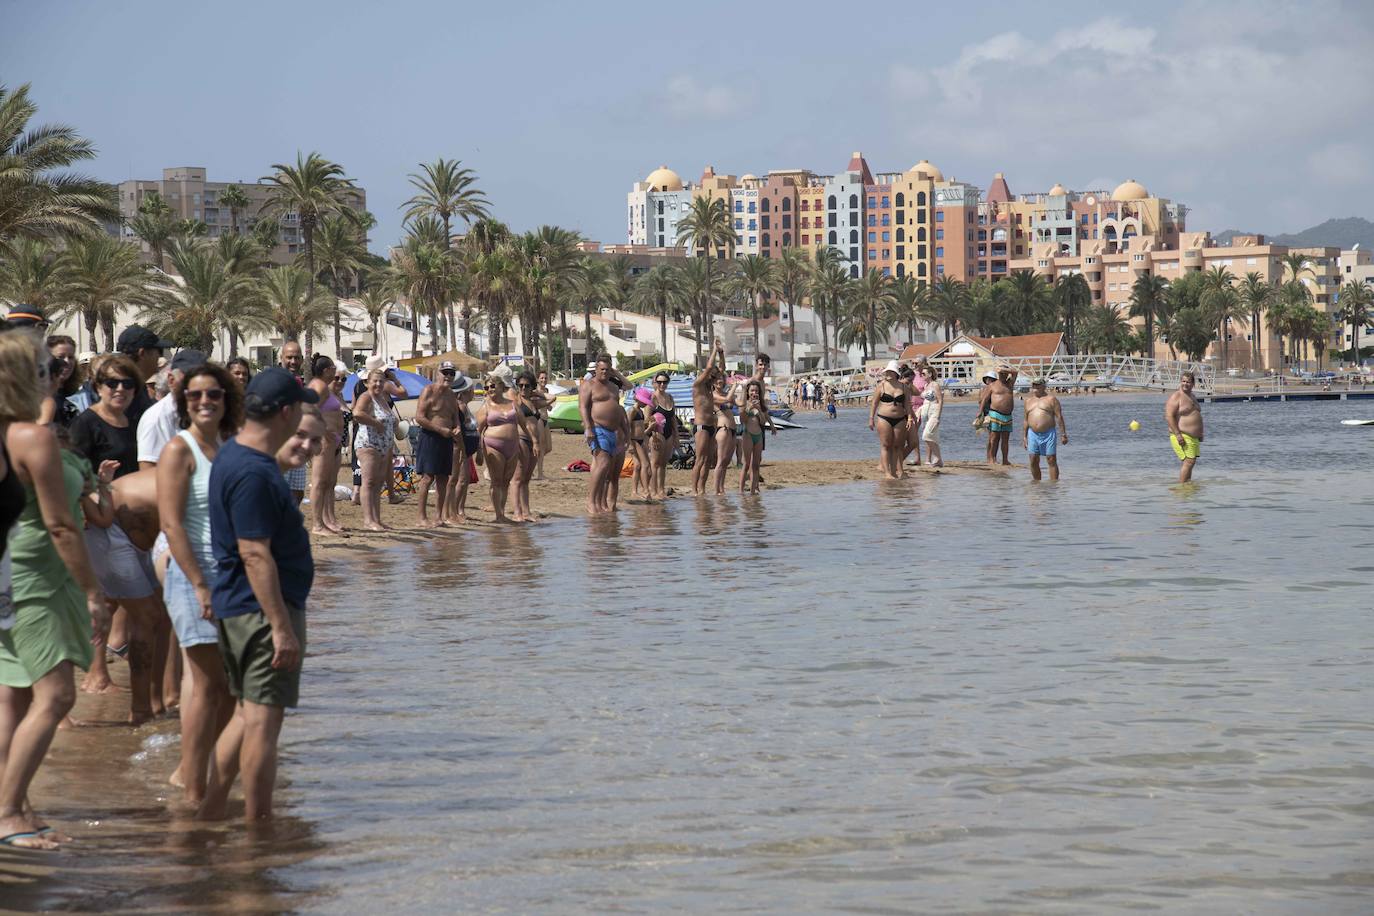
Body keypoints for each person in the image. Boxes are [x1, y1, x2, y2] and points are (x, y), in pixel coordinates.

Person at [0, 330, 110, 850]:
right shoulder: (32, 437)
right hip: (36, 579)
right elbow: (62, 526)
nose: (57, 376)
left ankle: (15, 803)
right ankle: (9, 815)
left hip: (9, 574)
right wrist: (92, 591)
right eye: (48, 369)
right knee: (57, 694)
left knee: (13, 698)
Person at [197, 368, 318, 822]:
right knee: (264, 726)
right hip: (261, 612)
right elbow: (254, 553)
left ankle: (209, 814)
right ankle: (257, 829)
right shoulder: (253, 471)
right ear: (286, 413)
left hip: (240, 607)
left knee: (247, 715)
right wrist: (281, 628)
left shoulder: (234, 456)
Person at [157, 363, 240, 805]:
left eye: (213, 394)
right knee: (207, 686)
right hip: (194, 576)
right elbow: (171, 524)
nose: (205, 402)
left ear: (226, 399)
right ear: (183, 401)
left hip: (230, 574)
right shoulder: (179, 449)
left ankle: (194, 768)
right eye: (195, 396)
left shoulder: (229, 446)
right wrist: (199, 584)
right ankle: (192, 788)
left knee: (228, 686)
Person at [69, 354, 142, 480]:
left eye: (128, 383)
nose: (120, 389)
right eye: (112, 383)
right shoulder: (85, 423)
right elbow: (72, 473)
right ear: (98, 387)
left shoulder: (136, 420)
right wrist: (99, 481)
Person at [137, 349, 207, 468]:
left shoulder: (210, 412)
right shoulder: (155, 418)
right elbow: (148, 471)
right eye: (189, 378)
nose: (196, 384)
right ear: (171, 380)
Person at [578, 354, 630, 514]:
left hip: (613, 431)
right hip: (597, 428)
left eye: (607, 369)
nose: (604, 372)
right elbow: (583, 407)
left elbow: (629, 386)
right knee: (602, 464)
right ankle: (591, 502)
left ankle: (600, 503)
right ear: (596, 369)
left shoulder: (614, 386)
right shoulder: (589, 385)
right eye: (602, 369)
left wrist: (616, 373)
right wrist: (588, 428)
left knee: (607, 470)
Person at [414, 361, 462, 528]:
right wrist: (440, 429)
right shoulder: (429, 391)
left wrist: (456, 429)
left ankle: (438, 516)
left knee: (443, 479)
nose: (448, 376)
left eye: (451, 373)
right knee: (427, 478)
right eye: (445, 372)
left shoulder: (451, 395)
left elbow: (455, 418)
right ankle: (421, 516)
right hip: (430, 437)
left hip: (446, 439)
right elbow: (419, 417)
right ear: (438, 373)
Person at [352, 368, 398, 532]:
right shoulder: (366, 397)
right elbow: (356, 413)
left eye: (381, 381)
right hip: (368, 444)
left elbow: (389, 418)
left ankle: (377, 519)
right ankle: (368, 520)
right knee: (369, 482)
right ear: (367, 383)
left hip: (383, 446)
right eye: (375, 381)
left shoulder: (383, 399)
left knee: (378, 483)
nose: (378, 384)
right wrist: (375, 423)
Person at [478, 373, 528, 523]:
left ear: (501, 386)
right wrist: (479, 451)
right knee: (496, 481)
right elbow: (478, 431)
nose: (489, 390)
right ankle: (498, 515)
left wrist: (534, 442)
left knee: (506, 481)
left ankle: (502, 513)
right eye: (486, 388)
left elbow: (524, 425)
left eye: (492, 386)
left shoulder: (512, 404)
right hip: (493, 445)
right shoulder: (485, 406)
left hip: (512, 446)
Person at [307, 355, 346, 535]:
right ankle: (317, 525)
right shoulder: (319, 386)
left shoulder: (326, 388)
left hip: (332, 442)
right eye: (332, 368)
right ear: (326, 370)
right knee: (318, 482)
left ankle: (325, 521)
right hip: (323, 441)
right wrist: (322, 431)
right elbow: (307, 410)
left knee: (328, 482)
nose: (335, 371)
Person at [115, 324, 173, 427]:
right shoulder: (125, 389)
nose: (159, 356)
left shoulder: (138, 386)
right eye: (158, 351)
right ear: (142, 353)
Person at [511, 371, 550, 523]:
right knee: (517, 478)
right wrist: (525, 392)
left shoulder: (533, 402)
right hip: (521, 439)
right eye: (520, 385)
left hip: (535, 443)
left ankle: (526, 511)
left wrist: (535, 392)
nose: (523, 388)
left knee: (526, 479)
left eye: (527, 386)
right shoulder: (516, 401)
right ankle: (517, 512)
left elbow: (552, 398)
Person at [868, 360, 912, 480]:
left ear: (895, 373)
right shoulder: (881, 386)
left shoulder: (903, 386)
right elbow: (874, 403)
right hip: (884, 418)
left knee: (898, 446)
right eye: (887, 371)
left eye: (890, 371)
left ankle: (895, 471)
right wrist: (871, 418)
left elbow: (907, 404)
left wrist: (909, 418)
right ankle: (887, 473)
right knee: (886, 445)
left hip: (900, 418)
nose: (887, 373)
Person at [691, 344, 724, 496]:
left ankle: (702, 489)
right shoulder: (698, 385)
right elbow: (710, 366)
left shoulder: (710, 388)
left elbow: (721, 369)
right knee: (700, 459)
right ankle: (694, 490)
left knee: (708, 460)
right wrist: (715, 350)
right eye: (713, 376)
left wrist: (722, 353)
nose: (715, 379)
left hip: (711, 426)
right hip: (701, 426)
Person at [445, 373, 479, 523]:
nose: (473, 391)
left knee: (464, 480)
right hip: (460, 449)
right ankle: (453, 511)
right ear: (465, 391)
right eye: (471, 389)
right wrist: (463, 450)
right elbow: (460, 430)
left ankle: (460, 510)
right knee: (459, 480)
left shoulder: (465, 407)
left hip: (466, 449)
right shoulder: (461, 407)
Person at [277, 343, 307, 504]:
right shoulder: (274, 381)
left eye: (296, 357)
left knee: (297, 492)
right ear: (281, 358)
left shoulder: (298, 382)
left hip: (297, 443)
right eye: (289, 357)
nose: (293, 361)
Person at [1022, 378, 1068, 481]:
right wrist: (1024, 437)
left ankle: (1054, 485)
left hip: (1048, 433)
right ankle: (1037, 483)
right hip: (1032, 433)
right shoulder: (1028, 401)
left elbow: (1059, 417)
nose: (1036, 387)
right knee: (1033, 459)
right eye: (1034, 385)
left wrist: (1063, 434)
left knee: (1051, 459)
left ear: (1044, 386)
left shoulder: (1051, 399)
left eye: (1038, 385)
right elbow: (1025, 420)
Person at [738, 379, 776, 494]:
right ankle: (741, 491)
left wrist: (759, 410)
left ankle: (753, 490)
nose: (754, 393)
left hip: (758, 434)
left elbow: (763, 422)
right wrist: (749, 409)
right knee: (746, 464)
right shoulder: (743, 403)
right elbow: (742, 420)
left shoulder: (760, 404)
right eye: (752, 390)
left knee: (756, 464)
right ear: (748, 392)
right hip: (748, 434)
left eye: (756, 391)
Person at [1166, 371, 1204, 483]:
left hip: (1193, 437)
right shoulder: (1176, 396)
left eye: (1188, 382)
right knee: (1189, 461)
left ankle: (1187, 486)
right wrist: (1178, 435)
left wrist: (1200, 433)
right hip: (1182, 435)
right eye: (1183, 381)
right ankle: (1181, 487)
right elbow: (1169, 416)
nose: (1185, 384)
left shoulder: (1192, 396)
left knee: (1191, 462)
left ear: (1193, 384)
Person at [646, 371, 677, 501]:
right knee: (655, 463)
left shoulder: (670, 397)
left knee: (663, 463)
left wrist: (676, 435)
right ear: (655, 383)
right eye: (659, 382)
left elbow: (673, 418)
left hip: (669, 432)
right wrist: (652, 433)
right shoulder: (652, 398)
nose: (662, 384)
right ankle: (653, 491)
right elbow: (647, 419)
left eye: (664, 382)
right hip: (657, 433)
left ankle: (661, 490)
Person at [38, 335, 81, 428]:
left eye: (70, 357)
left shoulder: (78, 393)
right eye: (61, 357)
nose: (67, 362)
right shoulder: (44, 398)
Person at [979, 366, 1016, 465]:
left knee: (1005, 439)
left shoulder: (1010, 384)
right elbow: (984, 400)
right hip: (995, 413)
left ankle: (1005, 460)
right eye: (1001, 373)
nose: (1003, 375)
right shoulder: (992, 386)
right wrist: (980, 412)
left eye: (1005, 373)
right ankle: (991, 458)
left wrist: (1004, 370)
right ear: (999, 375)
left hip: (1008, 415)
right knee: (994, 437)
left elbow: (1015, 372)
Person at [712, 377, 737, 496]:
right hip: (723, 428)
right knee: (720, 461)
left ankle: (722, 488)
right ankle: (716, 489)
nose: (719, 382)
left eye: (721, 380)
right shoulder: (713, 395)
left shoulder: (727, 393)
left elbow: (738, 403)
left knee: (726, 462)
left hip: (732, 429)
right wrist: (735, 386)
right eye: (717, 380)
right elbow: (727, 399)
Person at [627, 388, 652, 500]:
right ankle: (646, 490)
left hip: (641, 440)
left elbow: (641, 427)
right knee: (645, 464)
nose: (645, 404)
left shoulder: (640, 412)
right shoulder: (632, 410)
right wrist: (630, 444)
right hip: (634, 440)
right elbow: (627, 426)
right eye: (644, 401)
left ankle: (635, 491)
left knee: (637, 465)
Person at [917, 365, 944, 468]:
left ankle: (937, 458)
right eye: (921, 374)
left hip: (934, 411)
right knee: (933, 436)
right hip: (925, 412)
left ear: (930, 374)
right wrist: (919, 411)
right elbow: (925, 401)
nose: (922, 375)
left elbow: (940, 400)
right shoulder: (926, 385)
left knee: (927, 435)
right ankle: (938, 460)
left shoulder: (935, 385)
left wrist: (938, 416)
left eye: (923, 374)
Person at [534, 369, 553, 480]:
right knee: (541, 447)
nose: (544, 380)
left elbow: (547, 406)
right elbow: (536, 405)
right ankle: (540, 474)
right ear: (537, 379)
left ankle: (531, 462)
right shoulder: (534, 391)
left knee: (548, 448)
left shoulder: (546, 390)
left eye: (545, 378)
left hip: (546, 419)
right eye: (541, 378)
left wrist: (549, 405)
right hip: (538, 419)